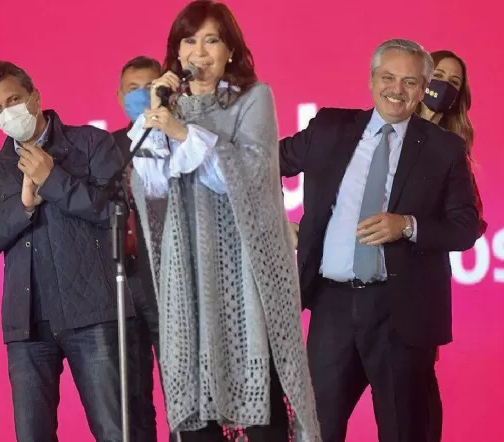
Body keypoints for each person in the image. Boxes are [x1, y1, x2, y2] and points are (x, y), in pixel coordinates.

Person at [127, 1, 320, 441]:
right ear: (176, 53)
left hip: (243, 266)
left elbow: (250, 175)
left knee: (261, 406)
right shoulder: (167, 107)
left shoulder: (254, 98)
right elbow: (151, 186)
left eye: (211, 40)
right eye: (189, 41)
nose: (199, 52)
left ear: (230, 50)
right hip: (187, 267)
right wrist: (159, 117)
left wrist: (183, 133)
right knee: (198, 412)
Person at [279, 39, 480, 442]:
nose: (397, 89)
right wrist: (277, 223)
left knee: (403, 431)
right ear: (371, 80)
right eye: (388, 77)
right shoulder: (330, 127)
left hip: (400, 312)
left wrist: (407, 225)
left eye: (410, 82)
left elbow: (466, 226)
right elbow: (260, 164)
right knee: (313, 431)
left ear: (422, 90)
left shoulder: (443, 148)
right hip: (332, 306)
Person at [0, 60, 136, 442]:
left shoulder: (90, 143)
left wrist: (53, 179)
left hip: (92, 313)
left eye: (14, 100)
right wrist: (23, 207)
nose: (8, 113)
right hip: (27, 325)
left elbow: (115, 210)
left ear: (35, 96)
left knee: (114, 430)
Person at [417, 49, 486, 442]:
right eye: (438, 75)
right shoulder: (379, 133)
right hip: (360, 293)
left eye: (453, 83)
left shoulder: (452, 151)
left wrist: (411, 227)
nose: (442, 86)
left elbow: (468, 224)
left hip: (420, 295)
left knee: (417, 407)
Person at [112, 55, 163, 442]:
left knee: (180, 383)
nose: (141, 95)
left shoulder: (179, 139)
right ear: (119, 97)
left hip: (166, 281)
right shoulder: (109, 147)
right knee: (132, 392)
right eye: (133, 89)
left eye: (150, 87)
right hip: (122, 281)